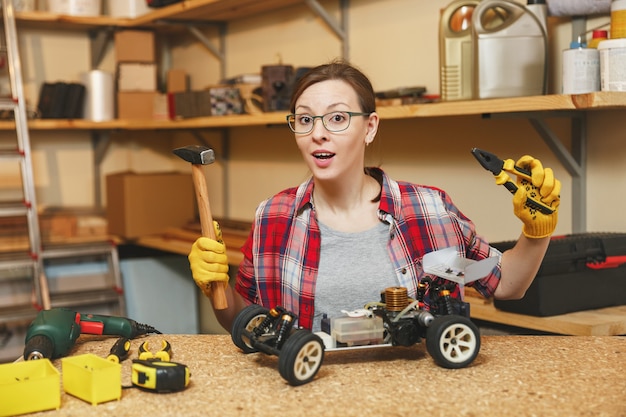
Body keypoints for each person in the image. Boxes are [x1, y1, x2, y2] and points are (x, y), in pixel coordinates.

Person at [188, 60, 561, 333]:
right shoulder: (273, 216)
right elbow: (246, 321)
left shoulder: (431, 210)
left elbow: (507, 285)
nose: (318, 133)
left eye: (337, 118)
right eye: (304, 120)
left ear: (370, 127)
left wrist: (537, 231)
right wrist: (216, 288)